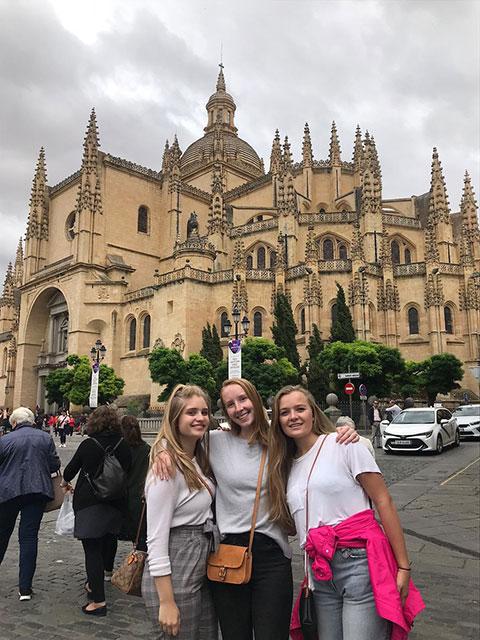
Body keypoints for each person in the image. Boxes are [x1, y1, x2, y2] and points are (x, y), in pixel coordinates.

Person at [156, 378, 358, 640]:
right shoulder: (215, 441)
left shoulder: (279, 440)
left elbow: (311, 439)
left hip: (272, 556)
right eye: (230, 404)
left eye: (243, 399)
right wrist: (161, 450)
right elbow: (179, 437)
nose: (238, 408)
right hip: (227, 554)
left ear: (255, 398)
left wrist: (343, 433)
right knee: (234, 635)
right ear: (225, 410)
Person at [269, 386, 425, 640]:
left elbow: (383, 501)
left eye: (300, 409)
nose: (293, 416)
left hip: (358, 563)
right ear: (278, 421)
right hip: (320, 573)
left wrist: (403, 567)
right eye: (284, 412)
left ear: (313, 412)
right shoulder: (286, 465)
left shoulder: (344, 444)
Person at [142, 384, 217, 639]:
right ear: (175, 418)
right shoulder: (166, 468)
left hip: (199, 565)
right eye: (191, 412)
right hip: (176, 570)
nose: (200, 418)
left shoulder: (196, 456)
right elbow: (156, 538)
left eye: (204, 412)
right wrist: (166, 601)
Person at [62, 406, 132, 616]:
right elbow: (127, 470)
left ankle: (98, 601)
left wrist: (66, 483)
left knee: (91, 550)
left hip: (90, 502)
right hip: (116, 502)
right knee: (106, 541)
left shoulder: (88, 444)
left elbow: (69, 470)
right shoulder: (123, 444)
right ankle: (95, 583)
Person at [0, 407, 61, 600]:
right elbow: (55, 465)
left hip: (8, 492)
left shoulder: (5, 440)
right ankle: (25, 588)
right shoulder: (44, 438)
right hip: (36, 491)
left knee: (2, 534)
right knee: (28, 538)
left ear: (14, 423)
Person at [119, 415, 150, 551]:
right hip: (139, 498)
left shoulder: (119, 448)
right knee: (139, 536)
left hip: (120, 496)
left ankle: (107, 568)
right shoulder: (146, 449)